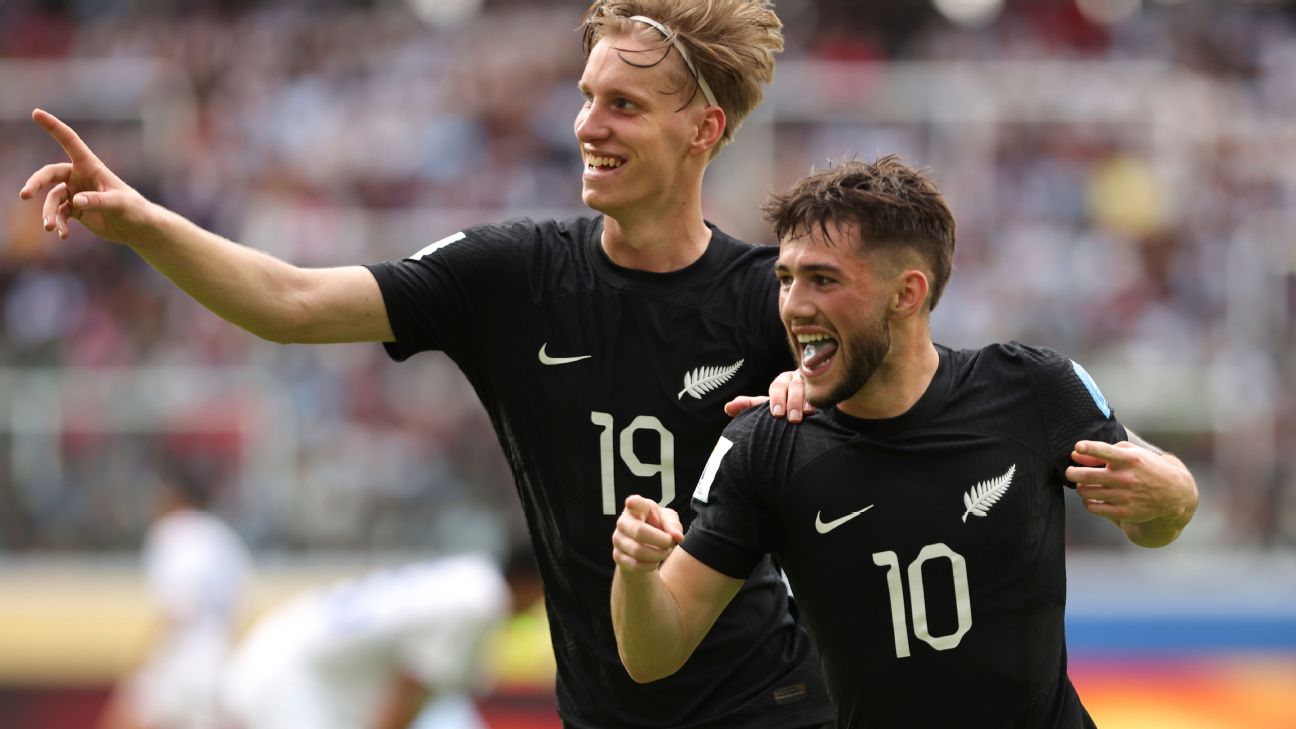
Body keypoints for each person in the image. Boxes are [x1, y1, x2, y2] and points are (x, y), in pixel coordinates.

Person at [20, 2, 835, 726]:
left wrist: (822, 392)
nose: (589, 125)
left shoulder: (776, 299)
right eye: (587, 97)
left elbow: (905, 428)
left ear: (704, 129)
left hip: (767, 701)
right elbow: (291, 303)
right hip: (602, 709)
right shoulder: (515, 274)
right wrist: (143, 223)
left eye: (623, 105)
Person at [610, 156, 1201, 728]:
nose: (793, 304)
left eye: (823, 279)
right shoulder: (766, 444)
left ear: (907, 294)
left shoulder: (1032, 389)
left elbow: (1150, 521)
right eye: (785, 279)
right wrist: (635, 573)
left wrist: (1176, 496)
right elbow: (652, 655)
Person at [221, 547, 544, 729]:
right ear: (530, 584)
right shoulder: (479, 602)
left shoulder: (471, 578)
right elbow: (410, 686)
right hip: (287, 678)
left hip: (284, 655)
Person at [97, 460, 252, 729]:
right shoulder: (225, 538)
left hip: (179, 655)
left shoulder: (172, 532)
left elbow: (175, 610)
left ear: (178, 496)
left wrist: (142, 657)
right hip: (217, 656)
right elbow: (242, 607)